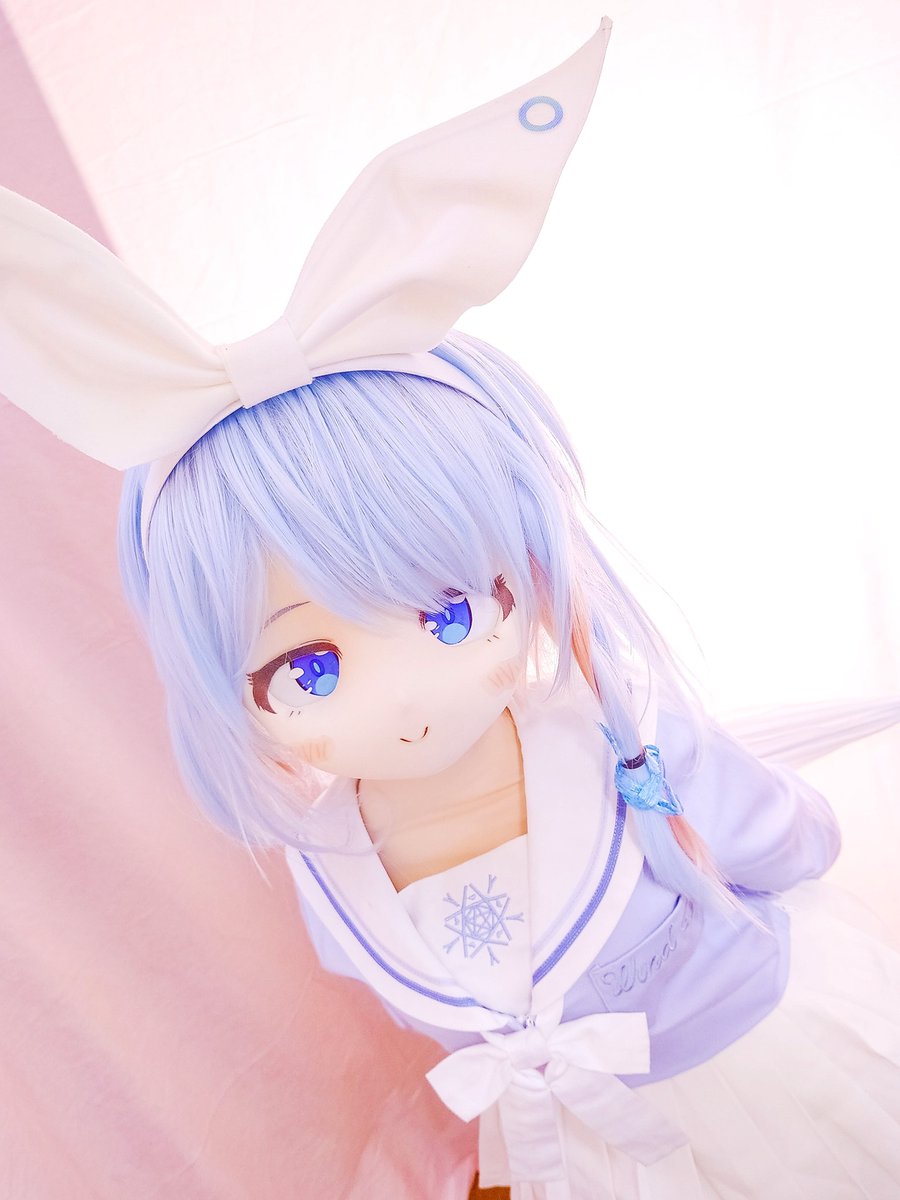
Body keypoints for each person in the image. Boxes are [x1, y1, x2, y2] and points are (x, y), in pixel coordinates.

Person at [3, 18, 900, 1199]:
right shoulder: (330, 858)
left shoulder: (622, 738)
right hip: (580, 1141)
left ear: (519, 577)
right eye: (308, 671)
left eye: (445, 617)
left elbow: (784, 838)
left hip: (763, 1058)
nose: (405, 698)